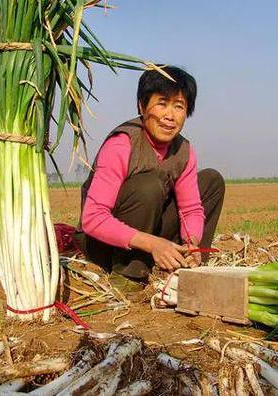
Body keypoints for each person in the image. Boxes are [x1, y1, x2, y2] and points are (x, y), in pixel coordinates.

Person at [74, 66, 225, 291]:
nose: (170, 116)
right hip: (104, 244)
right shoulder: (121, 144)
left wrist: (192, 244)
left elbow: (190, 209)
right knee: (149, 185)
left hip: (149, 233)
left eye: (179, 106)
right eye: (162, 103)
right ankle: (128, 276)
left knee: (212, 181)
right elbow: (93, 219)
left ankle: (190, 263)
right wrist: (153, 244)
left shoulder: (183, 150)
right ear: (142, 106)